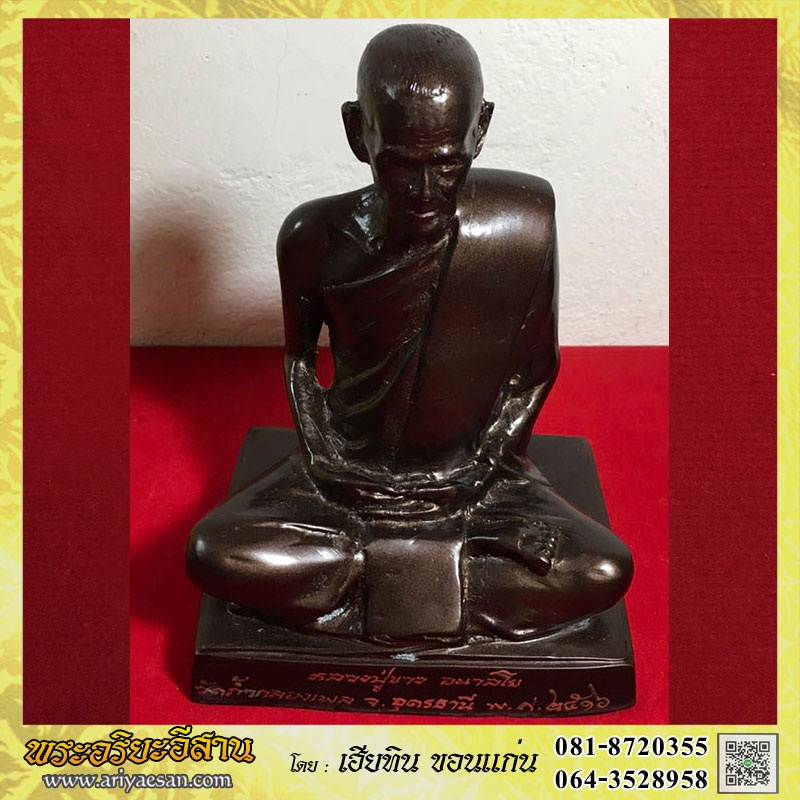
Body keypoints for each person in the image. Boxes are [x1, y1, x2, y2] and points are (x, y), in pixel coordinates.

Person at [186, 24, 633, 643]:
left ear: (481, 128)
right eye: (400, 165)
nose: (425, 191)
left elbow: (532, 373)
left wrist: (477, 471)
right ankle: (438, 574)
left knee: (602, 568)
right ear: (357, 132)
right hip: (348, 478)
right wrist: (329, 461)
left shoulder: (521, 226)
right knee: (215, 551)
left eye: (447, 165)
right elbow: (299, 364)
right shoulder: (312, 238)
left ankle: (370, 577)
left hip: (475, 479)